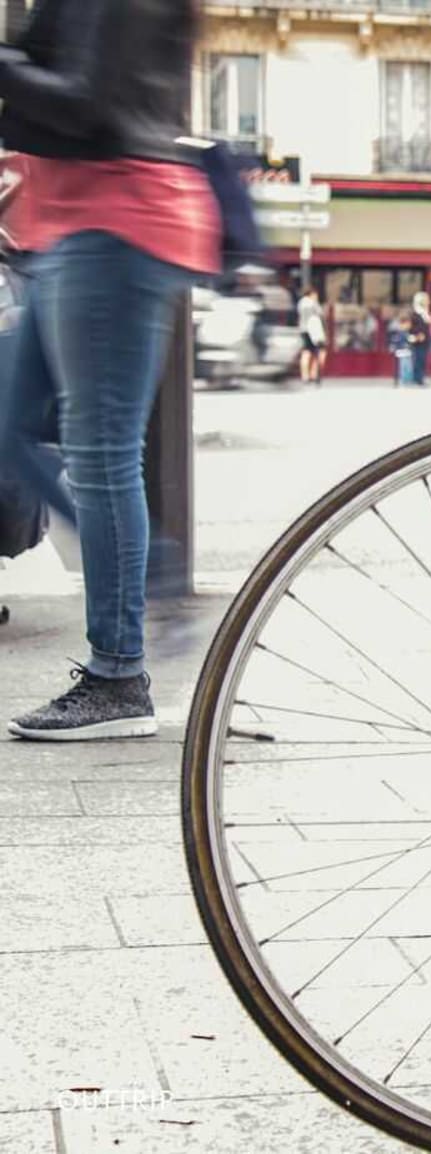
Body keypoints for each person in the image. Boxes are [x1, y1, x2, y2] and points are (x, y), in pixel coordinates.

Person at [0, 0, 223, 739]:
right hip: (72, 225)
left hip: (118, 225)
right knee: (9, 431)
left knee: (100, 455)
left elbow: (88, 100)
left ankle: (118, 675)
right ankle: (146, 566)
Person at [297, 285, 326, 386]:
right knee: (320, 352)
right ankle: (314, 374)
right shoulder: (313, 303)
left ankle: (305, 376)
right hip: (314, 331)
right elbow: (320, 313)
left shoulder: (301, 303)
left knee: (306, 352)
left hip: (303, 330)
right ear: (312, 294)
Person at [406, 291, 431, 386]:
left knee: (422, 359)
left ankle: (420, 377)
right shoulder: (415, 313)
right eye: (426, 300)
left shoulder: (425, 312)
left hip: (425, 340)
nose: (428, 302)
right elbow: (412, 327)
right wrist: (418, 334)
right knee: (418, 359)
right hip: (418, 340)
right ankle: (417, 378)